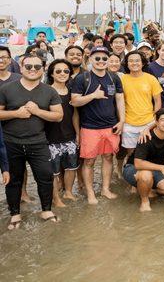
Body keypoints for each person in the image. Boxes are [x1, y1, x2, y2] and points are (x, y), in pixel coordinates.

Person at [0, 54, 63, 229]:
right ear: (21, 68)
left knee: (45, 177)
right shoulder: (6, 89)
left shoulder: (49, 91)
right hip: (11, 142)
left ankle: (46, 210)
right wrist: (15, 113)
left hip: (38, 141)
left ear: (43, 69)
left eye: (37, 66)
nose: (33, 70)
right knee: (13, 180)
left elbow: (58, 116)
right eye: (29, 67)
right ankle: (15, 214)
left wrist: (37, 111)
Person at [71, 46, 125, 204]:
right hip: (89, 127)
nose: (101, 61)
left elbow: (120, 99)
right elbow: (74, 101)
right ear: (90, 60)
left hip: (110, 126)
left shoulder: (114, 77)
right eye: (97, 58)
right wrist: (93, 95)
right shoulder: (82, 78)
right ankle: (90, 193)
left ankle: (105, 189)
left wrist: (122, 121)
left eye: (104, 58)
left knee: (108, 157)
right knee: (89, 161)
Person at [123, 108, 164, 211]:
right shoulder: (146, 137)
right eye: (163, 120)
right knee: (146, 175)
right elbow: (138, 164)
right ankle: (144, 202)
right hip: (133, 168)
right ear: (156, 122)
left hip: (155, 170)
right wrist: (162, 167)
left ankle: (146, 189)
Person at [118, 51, 162, 176]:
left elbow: (158, 101)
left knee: (147, 153)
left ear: (142, 63)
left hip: (148, 122)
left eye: (137, 60)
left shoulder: (150, 78)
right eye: (131, 61)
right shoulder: (123, 79)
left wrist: (155, 120)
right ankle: (132, 180)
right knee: (131, 154)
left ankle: (147, 178)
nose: (134, 63)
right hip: (129, 123)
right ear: (127, 63)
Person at [45, 60, 79, 208]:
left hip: (69, 136)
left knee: (72, 167)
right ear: (52, 73)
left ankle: (69, 192)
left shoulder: (72, 93)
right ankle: (56, 198)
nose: (62, 74)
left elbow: (75, 115)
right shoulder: (45, 91)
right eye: (58, 71)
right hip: (50, 138)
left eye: (66, 71)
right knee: (53, 172)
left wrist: (78, 134)